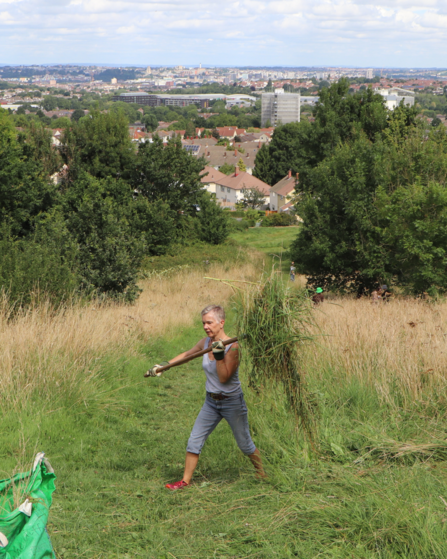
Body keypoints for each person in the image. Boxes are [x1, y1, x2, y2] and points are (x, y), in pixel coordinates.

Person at [147, 304, 266, 490]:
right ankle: (184, 481)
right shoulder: (205, 343)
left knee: (244, 443)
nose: (205, 326)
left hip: (232, 403)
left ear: (222, 323)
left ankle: (262, 472)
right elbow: (187, 355)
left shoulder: (233, 348)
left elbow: (224, 377)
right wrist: (163, 366)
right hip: (211, 402)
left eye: (209, 322)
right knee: (194, 440)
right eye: (203, 323)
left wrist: (219, 356)